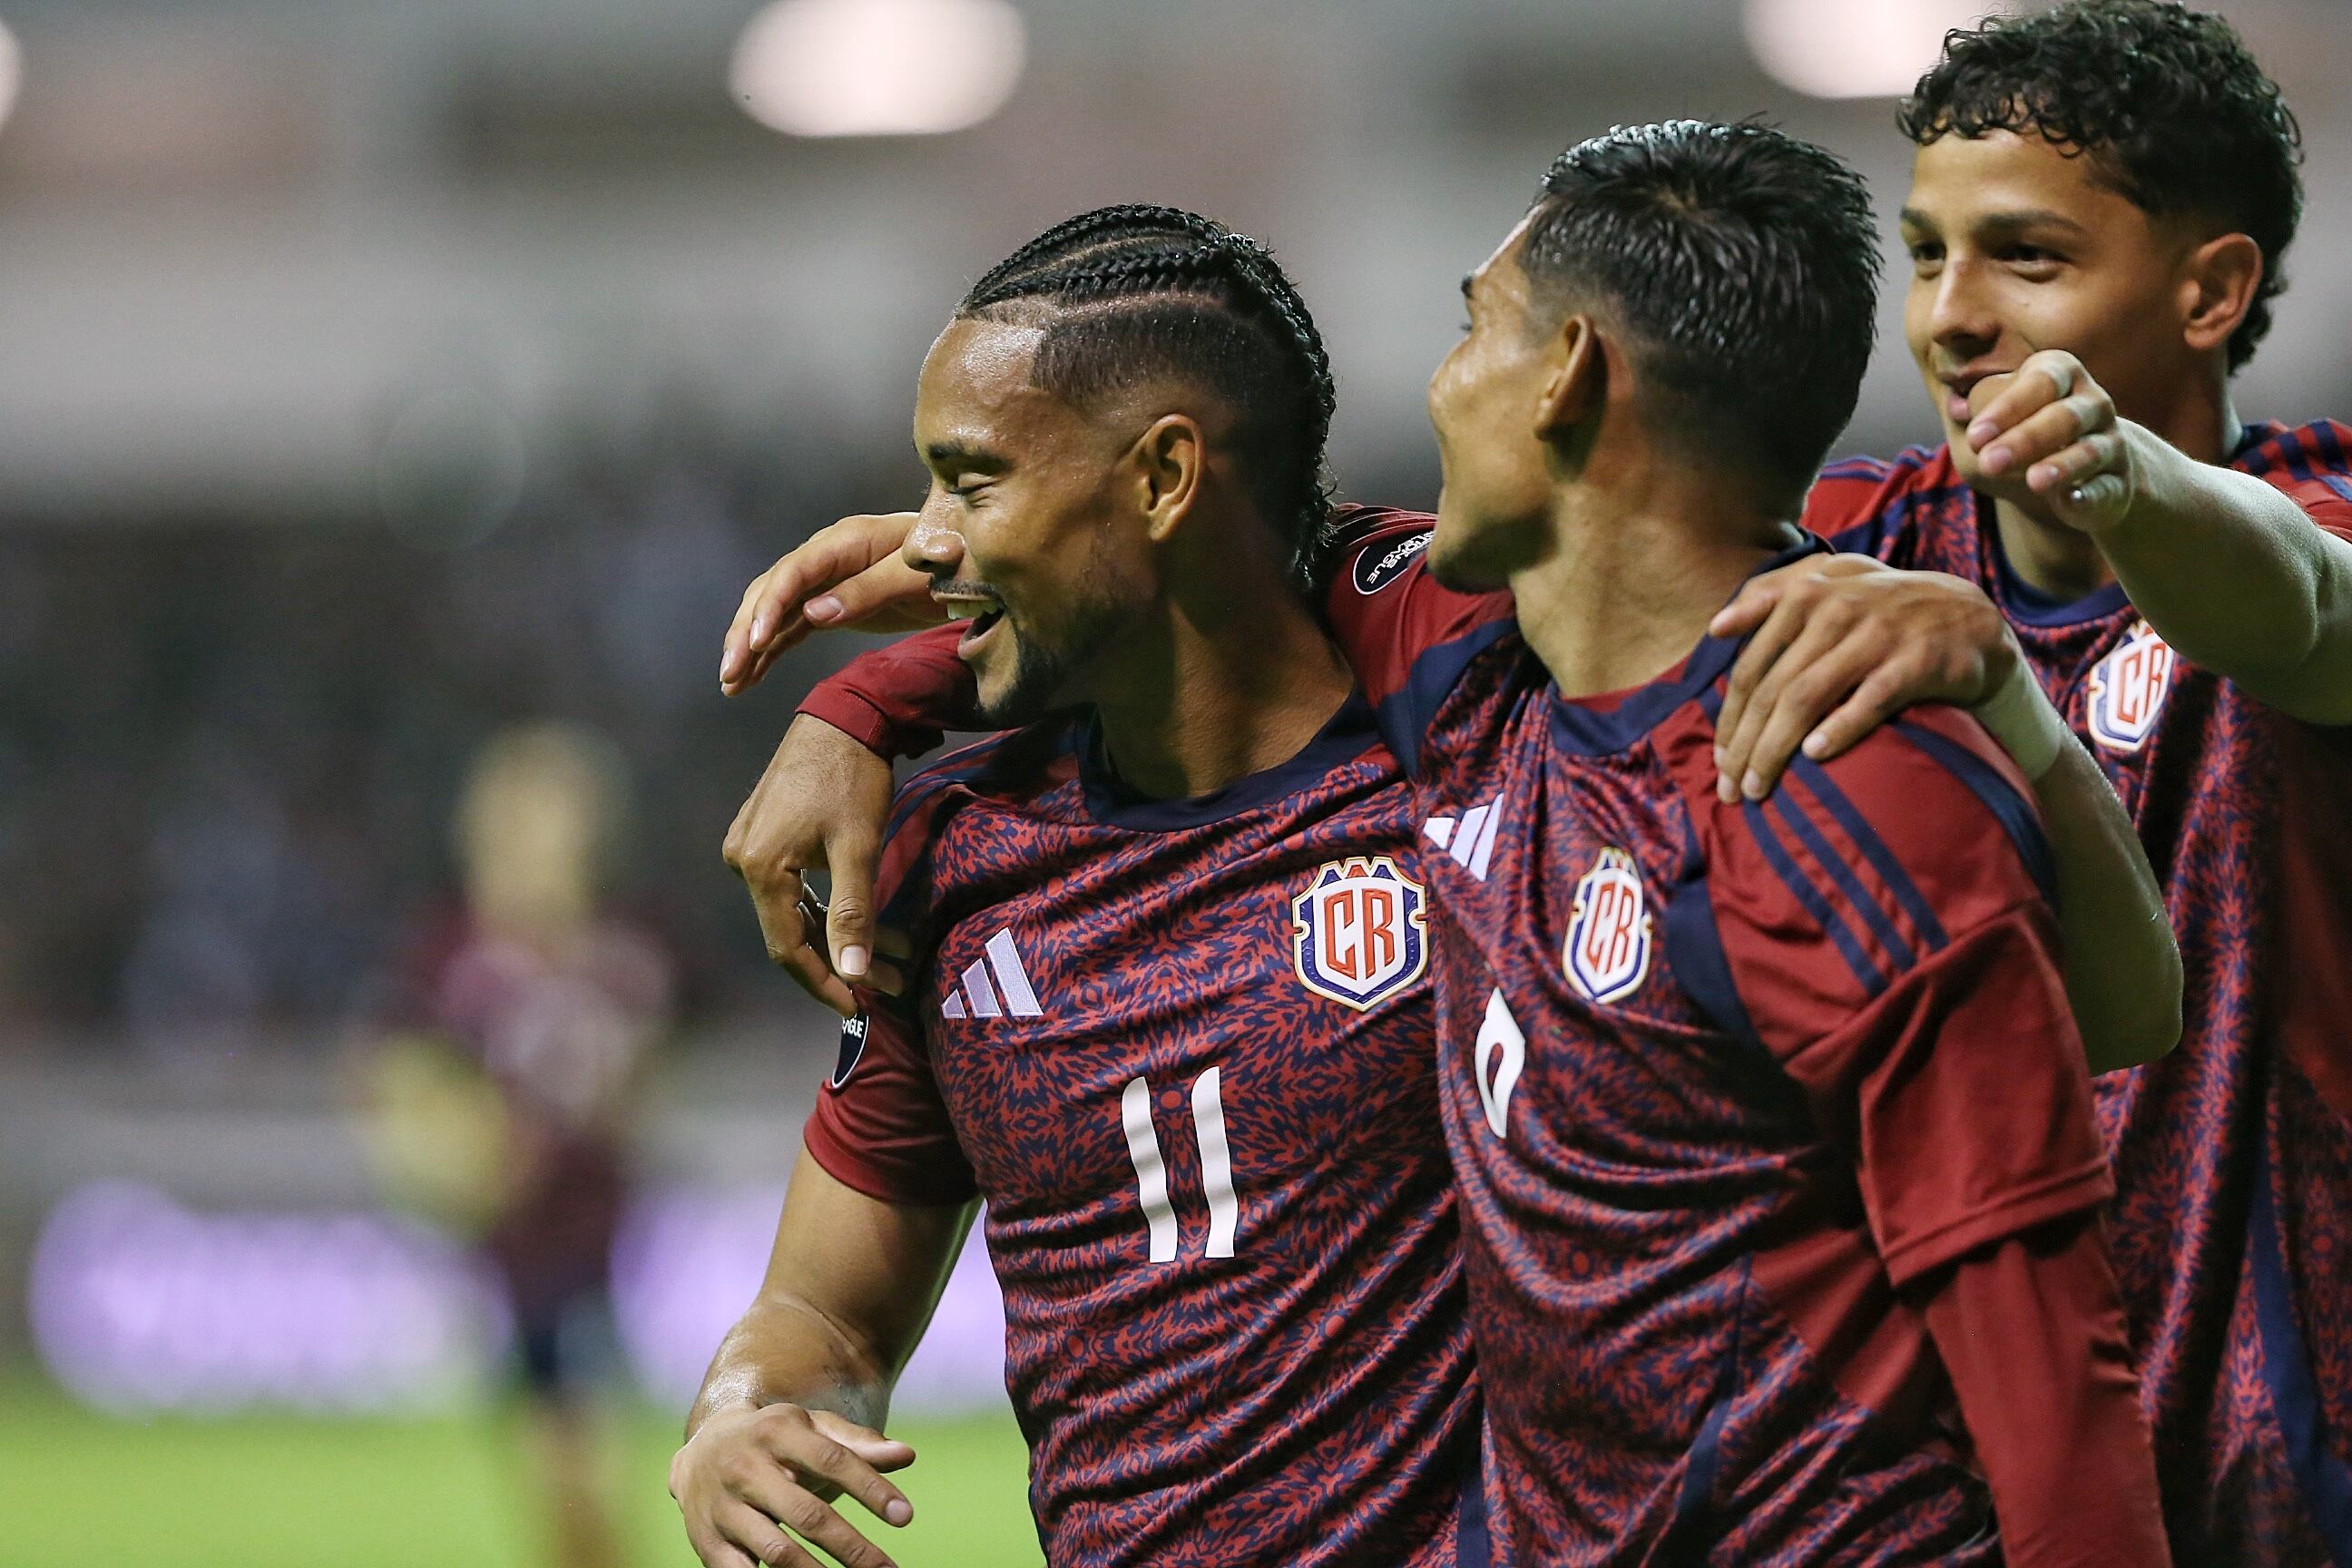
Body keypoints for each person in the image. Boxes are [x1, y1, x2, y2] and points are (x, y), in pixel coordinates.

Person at [716, 129, 2184, 1561]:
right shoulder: (1001, 843)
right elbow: (1238, 561)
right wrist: (870, 694)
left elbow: (2066, 1330)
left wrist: (1997, 689)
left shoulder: (1672, 743)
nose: (1434, 383)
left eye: (1471, 328)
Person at [671, 208, 1485, 1568]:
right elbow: (826, 1319)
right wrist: (740, 1416)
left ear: (1165, 477)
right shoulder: (949, 862)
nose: (916, 545)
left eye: (968, 481)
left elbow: (1589, 566)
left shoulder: (1467, 765)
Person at [1693, 5, 2352, 1560]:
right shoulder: (1844, 557)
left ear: (2209, 289)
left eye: (2025, 258)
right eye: (1926, 254)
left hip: (2296, 1479)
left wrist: (2124, 473)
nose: (1950, 317)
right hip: (1978, 1484)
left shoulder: (2313, 509)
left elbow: (2306, 607)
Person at [362, 722, 672, 1568]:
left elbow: (651, 1070)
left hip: (596, 1239)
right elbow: (398, 1083)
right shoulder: (450, 952)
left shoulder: (626, 948)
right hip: (508, 1248)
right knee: (564, 1472)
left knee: (577, 1470)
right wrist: (463, 1152)